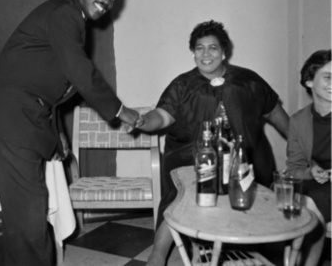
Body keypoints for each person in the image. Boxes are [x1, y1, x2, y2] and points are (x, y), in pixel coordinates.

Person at [0, 0, 140, 266]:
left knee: (25, 215)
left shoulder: (69, 16)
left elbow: (51, 87)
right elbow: (80, 71)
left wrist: (58, 138)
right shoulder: (65, 13)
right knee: (29, 216)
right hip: (10, 118)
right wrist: (120, 111)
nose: (107, 0)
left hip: (19, 118)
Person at [134, 20, 290, 266]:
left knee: (257, 200)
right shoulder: (182, 85)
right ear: (193, 52)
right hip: (191, 155)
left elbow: (276, 115)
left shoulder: (248, 81)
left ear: (224, 51)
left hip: (243, 156)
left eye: (213, 48)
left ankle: (250, 248)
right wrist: (143, 120)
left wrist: (300, 145)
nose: (206, 54)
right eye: (199, 48)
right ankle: (158, 254)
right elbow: (162, 116)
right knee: (177, 199)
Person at [286, 49, 330, 266]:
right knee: (285, 197)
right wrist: (310, 171)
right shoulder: (298, 121)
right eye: (328, 77)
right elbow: (293, 169)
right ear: (310, 82)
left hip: (325, 189)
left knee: (310, 203)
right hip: (315, 181)